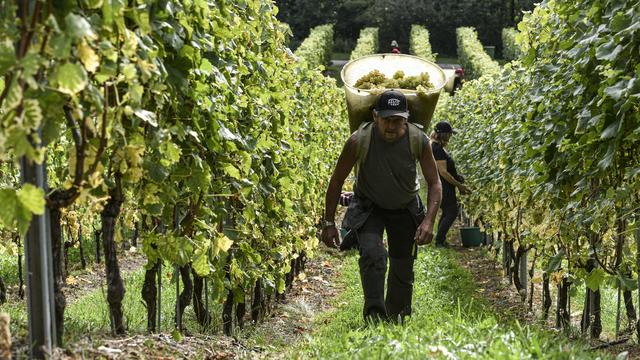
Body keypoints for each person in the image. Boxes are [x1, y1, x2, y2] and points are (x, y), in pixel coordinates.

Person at [320, 90, 442, 323]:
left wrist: (428, 221)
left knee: (402, 264)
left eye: (397, 120)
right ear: (375, 116)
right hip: (369, 206)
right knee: (373, 255)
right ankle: (375, 316)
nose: (391, 126)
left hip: (405, 206)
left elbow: (435, 183)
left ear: (406, 119)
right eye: (387, 119)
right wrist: (328, 223)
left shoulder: (419, 140)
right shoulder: (359, 140)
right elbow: (336, 182)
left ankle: (396, 317)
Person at [430, 121, 469, 248]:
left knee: (448, 211)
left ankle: (440, 240)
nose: (450, 137)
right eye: (448, 134)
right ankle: (439, 241)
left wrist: (458, 178)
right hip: (443, 186)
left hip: (444, 185)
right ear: (442, 135)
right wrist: (459, 185)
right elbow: (443, 172)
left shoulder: (437, 147)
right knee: (452, 211)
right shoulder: (437, 149)